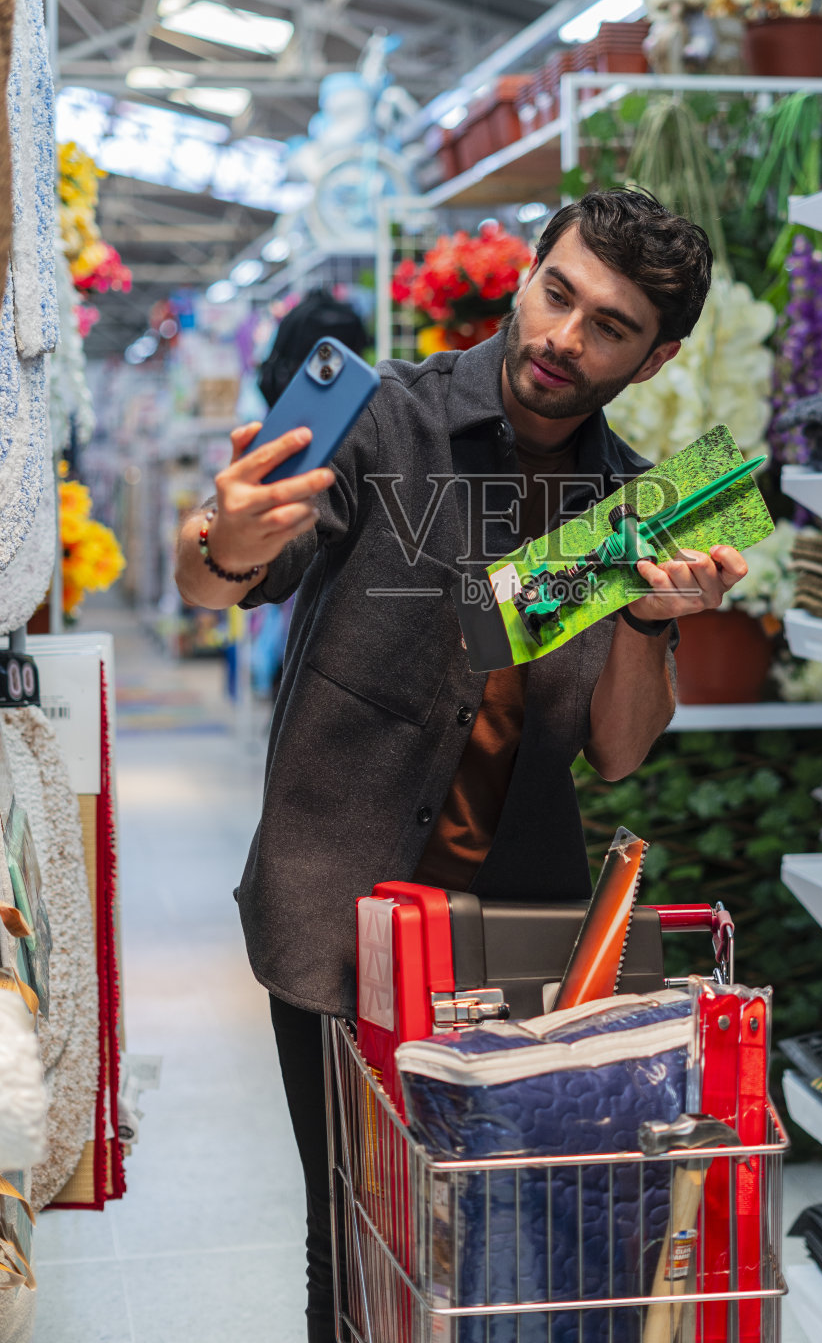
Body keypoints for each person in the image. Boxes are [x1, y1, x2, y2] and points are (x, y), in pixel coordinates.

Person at [175, 188, 749, 1341]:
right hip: (338, 908)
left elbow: (622, 750)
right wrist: (222, 540)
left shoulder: (634, 505)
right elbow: (216, 580)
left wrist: (643, 622)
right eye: (556, 293)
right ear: (526, 273)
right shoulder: (387, 423)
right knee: (353, 1235)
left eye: (608, 326)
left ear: (655, 357)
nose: (561, 337)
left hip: (516, 924)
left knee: (508, 1234)